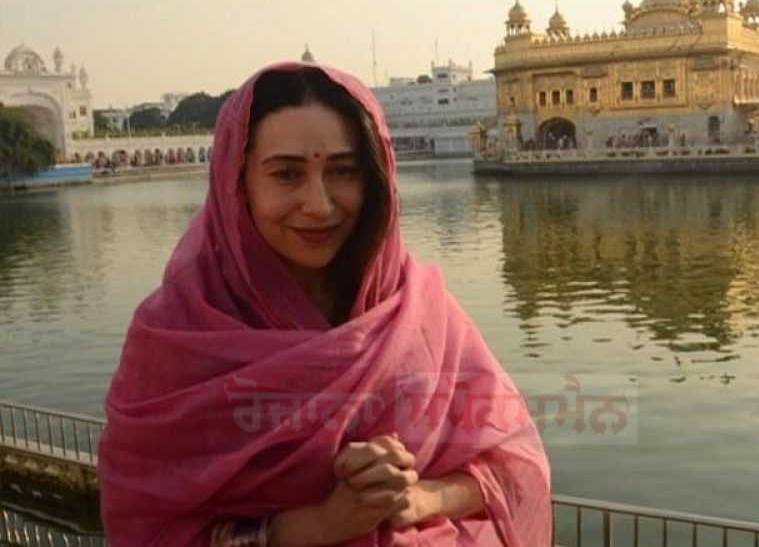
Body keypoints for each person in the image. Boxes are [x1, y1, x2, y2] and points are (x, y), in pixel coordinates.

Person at [99, 62, 551, 546]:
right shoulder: (178, 336)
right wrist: (319, 525)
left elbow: (511, 463)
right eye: (287, 174)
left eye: (341, 171)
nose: (319, 204)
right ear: (238, 184)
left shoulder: (414, 309)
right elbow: (146, 526)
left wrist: (417, 497)